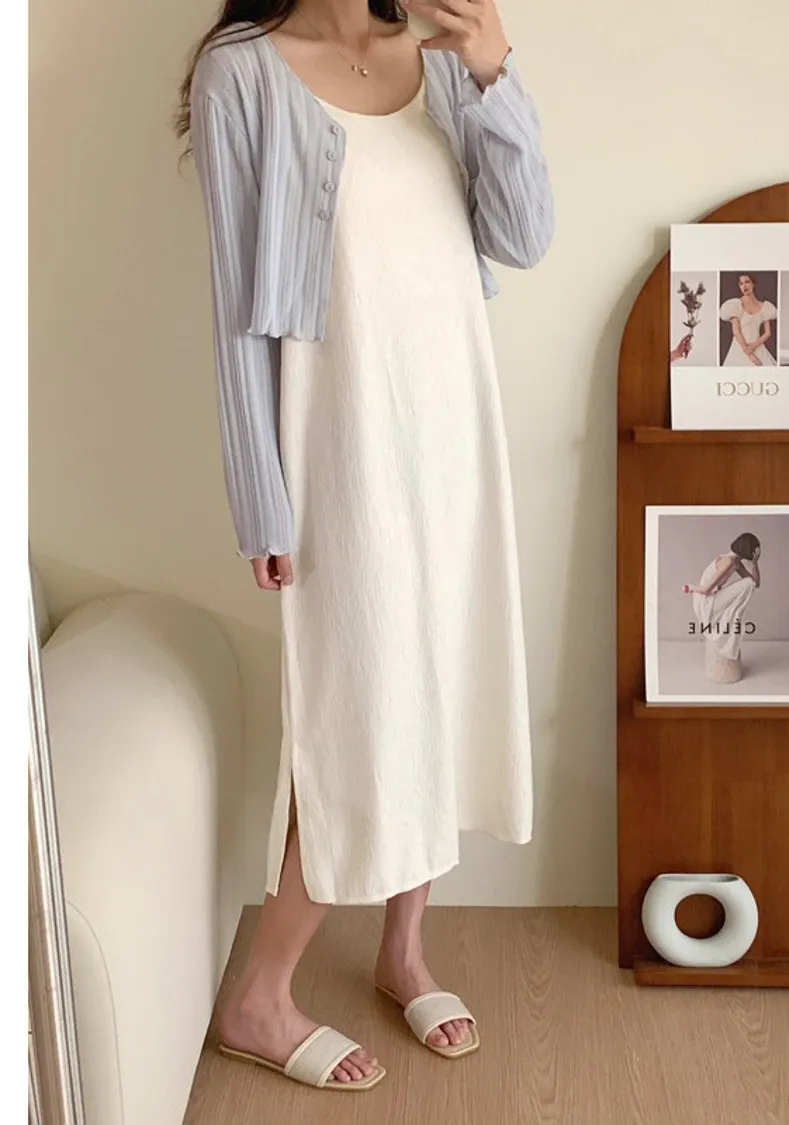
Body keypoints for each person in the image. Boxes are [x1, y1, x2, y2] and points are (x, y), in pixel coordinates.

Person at [178, 0, 553, 1093]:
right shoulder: (243, 73)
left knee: (443, 683)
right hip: (338, 433)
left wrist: (494, 70)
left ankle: (404, 951)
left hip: (454, 422)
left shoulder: (442, 59)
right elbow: (235, 305)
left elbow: (525, 234)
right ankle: (259, 996)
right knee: (362, 707)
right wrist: (260, 493)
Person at [683, 533, 761, 675]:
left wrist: (755, 564)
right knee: (748, 583)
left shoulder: (736, 563)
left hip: (713, 598)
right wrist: (691, 588)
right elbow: (707, 589)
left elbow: (756, 584)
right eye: (754, 550)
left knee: (749, 583)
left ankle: (733, 613)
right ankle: (733, 614)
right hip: (706, 602)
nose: (756, 553)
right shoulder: (728, 561)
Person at [719, 275, 777, 367]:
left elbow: (767, 333)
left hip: (757, 347)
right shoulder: (735, 305)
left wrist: (753, 346)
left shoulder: (764, 306)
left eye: (747, 282)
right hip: (740, 348)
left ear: (753, 284)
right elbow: (736, 331)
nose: (744, 286)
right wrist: (750, 354)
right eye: (741, 284)